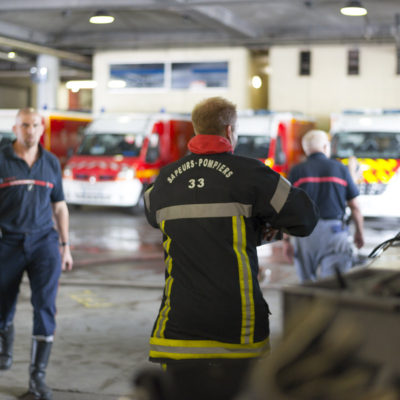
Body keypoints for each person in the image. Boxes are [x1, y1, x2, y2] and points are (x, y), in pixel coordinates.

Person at [143, 97, 319, 400]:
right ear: (229, 130)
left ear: (197, 128)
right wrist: (262, 228)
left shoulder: (163, 182)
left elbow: (159, 219)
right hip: (238, 328)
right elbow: (306, 218)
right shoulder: (251, 175)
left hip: (177, 329)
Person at [0, 108, 73, 400]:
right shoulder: (2, 159)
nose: (30, 131)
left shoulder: (51, 162)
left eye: (35, 126)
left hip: (44, 243)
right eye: (25, 125)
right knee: (3, 305)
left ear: (42, 129)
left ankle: (37, 378)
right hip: (7, 243)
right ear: (15, 128)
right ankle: (4, 350)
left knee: (45, 307)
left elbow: (59, 206)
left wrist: (65, 246)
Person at [283, 129, 364, 283]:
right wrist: (359, 232)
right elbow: (355, 206)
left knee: (307, 287)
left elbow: (287, 209)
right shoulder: (340, 169)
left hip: (304, 234)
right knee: (334, 286)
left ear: (306, 150)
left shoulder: (297, 171)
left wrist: (286, 241)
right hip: (334, 234)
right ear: (326, 147)